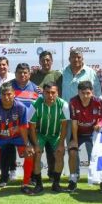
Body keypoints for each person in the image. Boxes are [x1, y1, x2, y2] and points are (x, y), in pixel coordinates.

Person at [0, 82, 36, 195]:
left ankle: (26, 184)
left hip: (16, 136)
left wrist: (27, 145)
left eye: (9, 94)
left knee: (30, 153)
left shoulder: (21, 107)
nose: (6, 97)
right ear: (0, 95)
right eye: (4, 94)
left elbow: (23, 128)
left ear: (14, 94)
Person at [29, 82, 69, 193]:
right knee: (37, 154)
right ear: (43, 93)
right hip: (40, 134)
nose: (50, 95)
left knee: (60, 154)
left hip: (55, 135)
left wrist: (61, 144)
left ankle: (56, 184)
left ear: (57, 93)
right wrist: (36, 145)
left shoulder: (63, 105)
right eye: (47, 92)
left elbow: (64, 126)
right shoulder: (35, 104)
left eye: (53, 92)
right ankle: (38, 184)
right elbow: (31, 127)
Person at [31, 50, 63, 180]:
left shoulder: (58, 75)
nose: (46, 62)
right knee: (37, 149)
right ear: (39, 62)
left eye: (48, 60)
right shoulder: (33, 75)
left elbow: (59, 94)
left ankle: (52, 175)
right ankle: (35, 177)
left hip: (53, 117)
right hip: (37, 117)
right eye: (43, 60)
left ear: (52, 61)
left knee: (52, 151)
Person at [68, 81, 102, 192]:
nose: (85, 96)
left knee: (98, 154)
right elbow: (74, 123)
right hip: (78, 132)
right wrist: (74, 140)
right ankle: (73, 179)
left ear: (92, 92)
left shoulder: (98, 102)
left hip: (92, 133)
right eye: (82, 93)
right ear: (78, 92)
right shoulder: (73, 102)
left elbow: (101, 118)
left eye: (88, 93)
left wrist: (98, 125)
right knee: (72, 152)